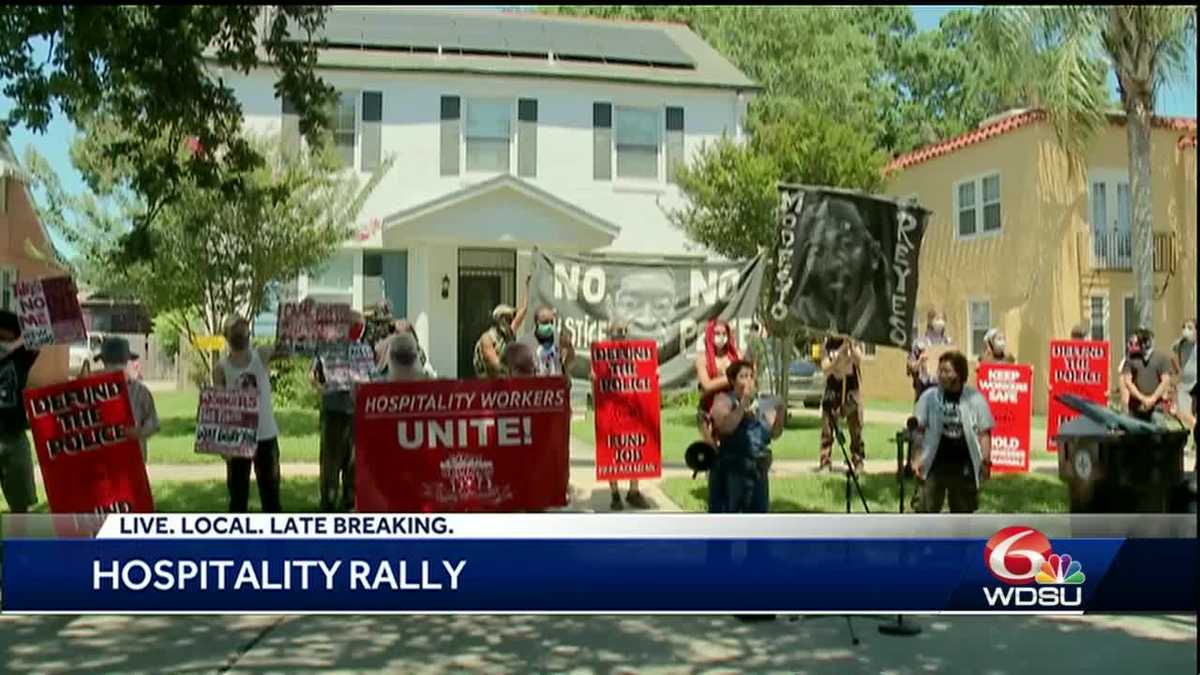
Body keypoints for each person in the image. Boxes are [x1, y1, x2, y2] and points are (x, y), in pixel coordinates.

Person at [788, 195, 891, 337]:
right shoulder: (803, 315)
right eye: (821, 250)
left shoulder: (888, 326)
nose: (833, 264)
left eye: (846, 245)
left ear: (873, 254)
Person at [212, 316, 283, 513]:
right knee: (237, 499)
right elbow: (218, 408)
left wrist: (300, 317)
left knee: (271, 498)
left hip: (265, 436)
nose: (240, 333)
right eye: (235, 330)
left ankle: (276, 541)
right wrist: (221, 443)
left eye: (242, 328)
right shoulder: (221, 368)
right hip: (238, 440)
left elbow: (288, 347)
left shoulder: (261, 355)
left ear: (249, 333)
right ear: (226, 336)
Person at [913, 351, 994, 514]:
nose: (942, 376)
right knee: (924, 511)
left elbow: (984, 433)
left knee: (963, 514)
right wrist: (916, 458)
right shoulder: (928, 397)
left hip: (964, 462)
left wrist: (985, 462)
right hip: (934, 461)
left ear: (960, 374)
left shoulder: (975, 398)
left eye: (947, 371)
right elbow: (919, 430)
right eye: (940, 371)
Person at [708, 360, 784, 513]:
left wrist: (780, 412)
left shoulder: (761, 403)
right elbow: (726, 427)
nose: (748, 380)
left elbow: (774, 433)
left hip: (758, 471)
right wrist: (743, 404)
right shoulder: (724, 400)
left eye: (750, 376)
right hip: (732, 470)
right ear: (732, 381)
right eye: (743, 376)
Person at [310, 314, 366, 512]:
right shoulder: (326, 347)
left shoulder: (364, 349)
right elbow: (312, 375)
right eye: (354, 325)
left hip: (355, 411)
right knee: (330, 461)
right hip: (333, 408)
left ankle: (350, 500)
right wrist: (322, 388)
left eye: (359, 326)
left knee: (353, 460)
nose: (357, 328)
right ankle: (328, 501)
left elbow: (370, 375)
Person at [604, 318, 650, 511]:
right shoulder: (602, 355)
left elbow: (645, 378)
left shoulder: (636, 355)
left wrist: (652, 377)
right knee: (610, 450)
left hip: (633, 409)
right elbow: (597, 385)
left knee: (635, 447)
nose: (621, 335)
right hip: (610, 410)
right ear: (610, 334)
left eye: (624, 331)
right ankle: (614, 493)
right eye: (617, 332)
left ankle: (634, 491)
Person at [0, 311, 41, 513]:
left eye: (4, 336)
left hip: (13, 437)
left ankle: (21, 545)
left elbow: (39, 335)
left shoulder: (21, 357)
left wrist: (13, 347)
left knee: (20, 504)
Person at [96, 337, 159, 463]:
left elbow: (153, 423)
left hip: (130, 461)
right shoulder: (91, 389)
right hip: (105, 460)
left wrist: (136, 432)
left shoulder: (139, 391)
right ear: (127, 361)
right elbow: (153, 423)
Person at [818, 334, 865, 473]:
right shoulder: (828, 344)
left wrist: (850, 346)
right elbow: (825, 368)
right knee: (827, 427)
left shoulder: (854, 341)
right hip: (833, 386)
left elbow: (859, 360)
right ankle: (825, 461)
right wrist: (837, 357)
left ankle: (858, 460)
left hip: (850, 386)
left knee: (856, 427)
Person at [693, 319, 740, 447]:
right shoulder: (702, 359)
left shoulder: (737, 356)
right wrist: (731, 378)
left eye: (724, 334)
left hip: (734, 404)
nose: (721, 337)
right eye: (717, 334)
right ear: (710, 336)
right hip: (708, 405)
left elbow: (747, 379)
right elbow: (706, 386)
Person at [473, 277, 531, 378]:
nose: (510, 320)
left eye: (511, 317)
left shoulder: (508, 332)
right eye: (506, 317)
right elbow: (493, 362)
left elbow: (523, 311)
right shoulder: (487, 338)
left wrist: (526, 286)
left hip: (504, 378)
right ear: (498, 319)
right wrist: (513, 372)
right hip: (487, 382)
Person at [606, 268, 678, 347]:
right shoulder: (593, 356)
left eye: (661, 306)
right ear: (610, 308)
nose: (647, 321)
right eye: (631, 304)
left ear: (676, 310)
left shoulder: (689, 357)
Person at [1122, 328, 1173, 424]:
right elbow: (1128, 382)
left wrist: (1153, 398)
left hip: (1157, 407)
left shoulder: (1162, 358)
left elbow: (1165, 381)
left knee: (1158, 432)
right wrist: (1142, 399)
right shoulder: (1131, 359)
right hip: (1136, 406)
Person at [907, 309, 953, 403]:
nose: (940, 322)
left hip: (944, 387)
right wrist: (920, 362)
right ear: (930, 321)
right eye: (937, 318)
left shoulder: (948, 342)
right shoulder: (919, 343)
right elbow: (911, 366)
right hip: (925, 387)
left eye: (942, 319)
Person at [531, 306, 575, 380]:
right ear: (538, 322)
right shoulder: (528, 340)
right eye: (546, 322)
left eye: (551, 322)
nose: (550, 325)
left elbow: (570, 357)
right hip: (537, 383)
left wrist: (565, 370)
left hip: (556, 382)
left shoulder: (559, 337)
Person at [1170, 319, 1196, 438]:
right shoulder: (1180, 343)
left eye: (1190, 328)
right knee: (1179, 412)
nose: (1186, 330)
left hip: (1195, 383)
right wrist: (1179, 371)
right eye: (1184, 327)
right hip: (1184, 384)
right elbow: (1173, 357)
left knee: (1190, 412)